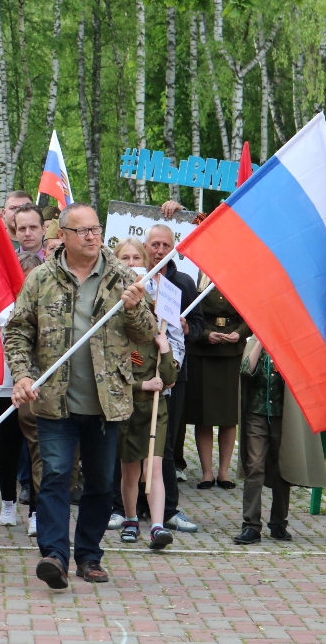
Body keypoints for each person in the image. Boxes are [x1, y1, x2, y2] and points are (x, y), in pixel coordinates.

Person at [5, 203, 157, 589]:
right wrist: (22, 375)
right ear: (66, 236)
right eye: (83, 231)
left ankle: (89, 555)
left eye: (96, 229)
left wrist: (137, 308)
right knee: (54, 476)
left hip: (107, 403)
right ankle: (54, 554)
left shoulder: (124, 278)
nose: (92, 236)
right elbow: (18, 331)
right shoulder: (40, 279)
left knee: (101, 483)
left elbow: (146, 334)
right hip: (55, 401)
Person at [112, 238, 178, 550]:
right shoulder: (116, 326)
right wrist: (141, 386)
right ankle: (129, 519)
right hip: (128, 408)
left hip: (155, 410)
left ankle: (157, 525)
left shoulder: (157, 328)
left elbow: (168, 379)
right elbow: (113, 375)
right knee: (130, 471)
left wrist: (165, 351)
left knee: (154, 470)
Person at [235, 336, 326, 544]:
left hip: (283, 415)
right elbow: (246, 370)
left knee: (281, 467)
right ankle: (251, 525)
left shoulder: (292, 345)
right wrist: (260, 341)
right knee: (255, 466)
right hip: (257, 414)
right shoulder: (253, 341)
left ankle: (278, 523)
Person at [144, 224, 203, 533]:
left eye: (165, 245)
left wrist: (187, 327)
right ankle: (130, 506)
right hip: (139, 374)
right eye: (154, 244)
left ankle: (168, 508)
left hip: (173, 375)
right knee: (135, 442)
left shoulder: (183, 282)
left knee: (166, 445)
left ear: (173, 247)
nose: (159, 250)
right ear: (146, 246)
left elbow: (198, 323)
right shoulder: (135, 281)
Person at [0, 251, 42, 534]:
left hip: (36, 391)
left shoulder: (45, 310)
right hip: (4, 389)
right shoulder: (2, 310)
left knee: (35, 451)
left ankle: (35, 510)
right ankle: (8, 502)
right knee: (6, 450)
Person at [185, 274, 250, 489]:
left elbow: (249, 316)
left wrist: (239, 334)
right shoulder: (198, 278)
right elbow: (190, 315)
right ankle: (206, 472)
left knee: (228, 415)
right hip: (203, 351)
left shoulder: (240, 279)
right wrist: (205, 335)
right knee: (204, 415)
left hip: (231, 352)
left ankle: (224, 472)